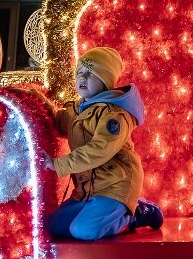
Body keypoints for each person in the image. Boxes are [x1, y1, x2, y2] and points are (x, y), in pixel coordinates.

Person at [46, 45, 164, 240]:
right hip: (88, 190)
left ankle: (133, 214)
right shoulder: (78, 110)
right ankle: (100, 211)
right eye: (80, 72)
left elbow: (99, 150)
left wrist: (59, 164)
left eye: (91, 74)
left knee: (83, 231)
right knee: (53, 226)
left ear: (105, 81)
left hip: (115, 186)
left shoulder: (113, 114)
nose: (82, 78)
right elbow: (58, 122)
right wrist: (39, 101)